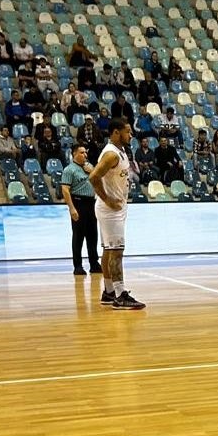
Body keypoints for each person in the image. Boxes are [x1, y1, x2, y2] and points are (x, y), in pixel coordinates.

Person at [89, 118, 145, 310]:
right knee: (117, 252)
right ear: (115, 132)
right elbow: (93, 177)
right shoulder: (111, 154)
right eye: (127, 131)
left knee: (108, 250)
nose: (131, 135)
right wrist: (107, 199)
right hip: (110, 210)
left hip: (114, 209)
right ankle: (120, 295)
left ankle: (109, 291)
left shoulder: (120, 151)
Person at [61, 146, 102, 276]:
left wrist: (93, 171)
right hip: (78, 202)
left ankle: (94, 263)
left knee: (93, 235)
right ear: (74, 154)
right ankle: (78, 265)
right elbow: (65, 190)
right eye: (82, 152)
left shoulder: (89, 167)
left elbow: (99, 180)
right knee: (78, 236)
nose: (85, 155)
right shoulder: (69, 170)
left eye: (85, 152)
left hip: (91, 202)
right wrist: (71, 208)